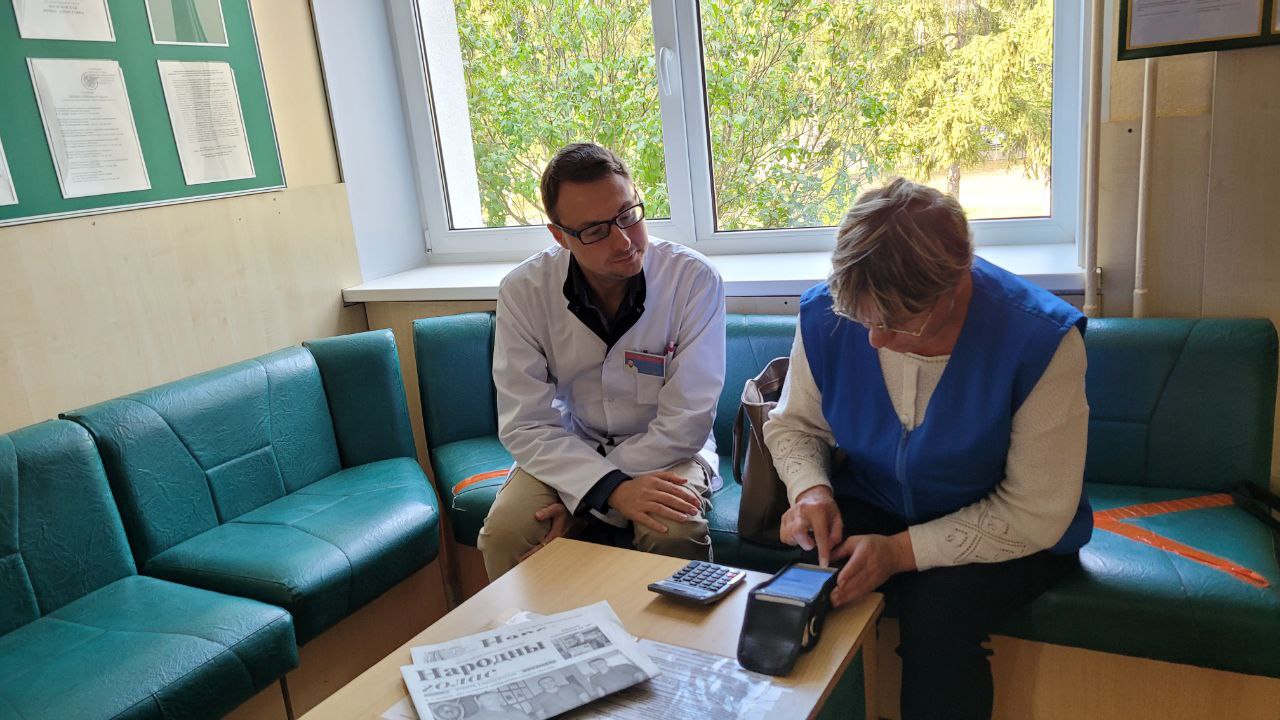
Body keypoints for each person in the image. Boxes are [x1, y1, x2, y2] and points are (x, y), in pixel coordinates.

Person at [763, 178, 1092, 720]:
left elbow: (1037, 511)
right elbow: (795, 425)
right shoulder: (828, 314)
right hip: (877, 498)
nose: (873, 339)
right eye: (862, 319)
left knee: (939, 617)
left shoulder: (1041, 340)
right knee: (812, 580)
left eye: (893, 322)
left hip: (1009, 528)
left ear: (957, 284)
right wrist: (811, 492)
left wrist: (898, 553)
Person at [478, 143, 727, 580]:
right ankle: (526, 627)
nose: (624, 241)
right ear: (560, 236)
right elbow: (525, 424)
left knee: (671, 531)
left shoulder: (693, 280)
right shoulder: (523, 291)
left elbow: (687, 421)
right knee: (506, 533)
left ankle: (675, 631)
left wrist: (594, 499)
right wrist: (605, 490)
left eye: (628, 214)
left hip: (670, 452)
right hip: (572, 447)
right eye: (595, 231)